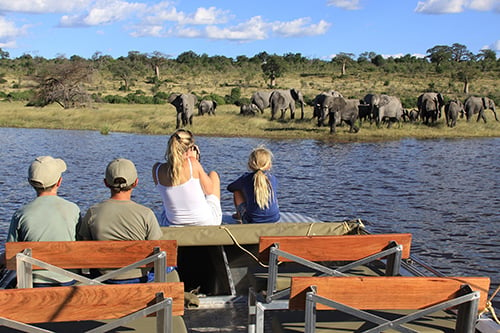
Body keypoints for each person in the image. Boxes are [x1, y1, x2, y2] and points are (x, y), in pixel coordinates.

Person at [77, 158, 164, 283]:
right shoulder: (146, 214)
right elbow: (157, 250)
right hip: (138, 282)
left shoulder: (93, 212)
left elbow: (84, 248)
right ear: (136, 183)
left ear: (106, 183)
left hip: (103, 281)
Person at [8, 156, 81, 287]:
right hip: (67, 281)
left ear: (30, 182)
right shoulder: (73, 210)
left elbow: (10, 255)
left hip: (34, 283)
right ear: (59, 182)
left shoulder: (21, 214)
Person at [153, 129, 222, 226]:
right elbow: (209, 191)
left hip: (172, 222)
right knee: (213, 175)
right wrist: (194, 159)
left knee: (166, 202)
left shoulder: (156, 169)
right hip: (205, 222)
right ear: (189, 148)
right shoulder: (192, 163)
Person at [227, 146, 280, 223]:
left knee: (237, 191)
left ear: (250, 165)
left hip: (252, 220)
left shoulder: (245, 178)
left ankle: (239, 215)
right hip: (274, 218)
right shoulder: (273, 178)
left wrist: (246, 191)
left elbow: (230, 187)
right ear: (269, 165)